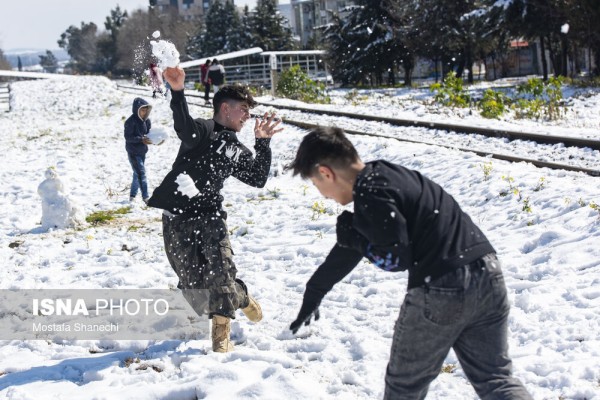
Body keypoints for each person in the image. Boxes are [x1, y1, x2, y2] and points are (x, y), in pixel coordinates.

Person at [288, 127, 533, 400]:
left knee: (403, 389)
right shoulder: (388, 176)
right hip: (488, 274)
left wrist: (358, 241)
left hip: (442, 287)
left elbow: (394, 259)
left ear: (325, 173)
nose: (323, 195)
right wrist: (316, 289)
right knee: (496, 379)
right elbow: (353, 246)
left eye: (315, 183)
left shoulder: (370, 192)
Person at [147, 66, 283, 353]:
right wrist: (178, 90)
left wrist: (263, 144)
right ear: (225, 108)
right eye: (244, 109)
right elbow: (183, 125)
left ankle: (221, 338)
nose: (248, 116)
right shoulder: (202, 132)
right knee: (194, 289)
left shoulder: (233, 148)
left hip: (210, 216)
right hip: (178, 217)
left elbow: (257, 178)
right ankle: (242, 297)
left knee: (220, 273)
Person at [124, 97, 152, 203]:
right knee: (141, 173)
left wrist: (156, 140)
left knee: (137, 174)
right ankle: (146, 198)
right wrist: (141, 139)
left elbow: (149, 134)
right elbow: (128, 137)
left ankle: (132, 195)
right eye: (142, 109)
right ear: (137, 109)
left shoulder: (147, 121)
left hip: (142, 151)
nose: (144, 112)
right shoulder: (130, 122)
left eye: (146, 110)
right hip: (133, 152)